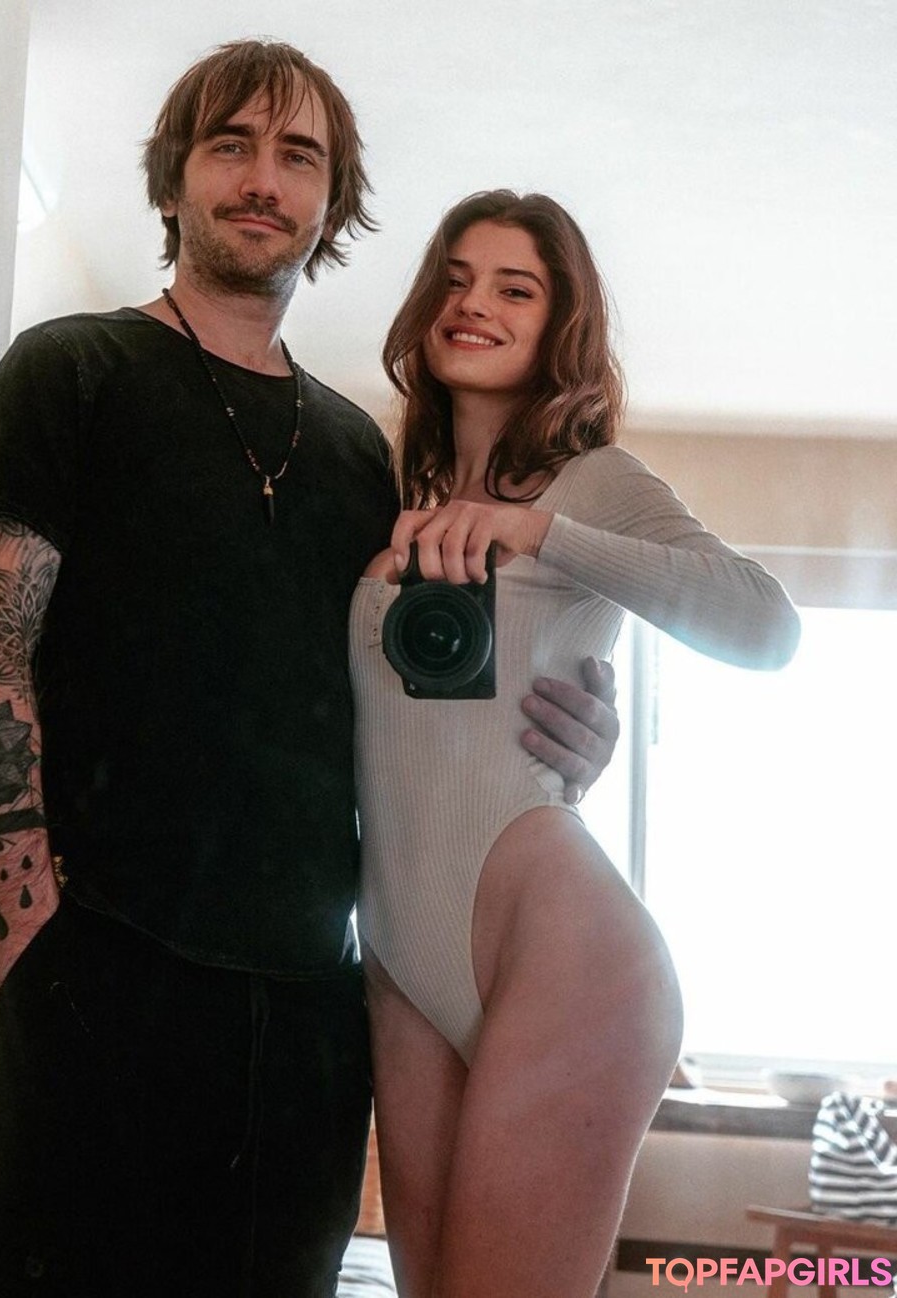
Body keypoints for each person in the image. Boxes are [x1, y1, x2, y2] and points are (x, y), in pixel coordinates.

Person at [0, 44, 620, 1298]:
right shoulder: (68, 370)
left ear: (330, 198)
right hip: (106, 970)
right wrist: (30, 926)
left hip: (314, 1005)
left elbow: (426, 713)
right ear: (174, 181)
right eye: (231, 146)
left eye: (298, 156)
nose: (264, 179)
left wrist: (575, 723)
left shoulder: (362, 453)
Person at [350, 190, 801, 1298]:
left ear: (562, 327)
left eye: (516, 288)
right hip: (400, 957)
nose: (476, 304)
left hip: (563, 954)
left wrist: (540, 530)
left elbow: (766, 626)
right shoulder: (388, 494)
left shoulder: (593, 481)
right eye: (456, 279)